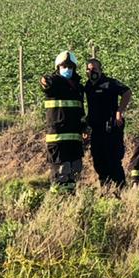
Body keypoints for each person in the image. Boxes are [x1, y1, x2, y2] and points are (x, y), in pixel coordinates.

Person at [40, 51, 86, 192]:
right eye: (64, 66)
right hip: (58, 139)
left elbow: (80, 111)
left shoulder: (78, 88)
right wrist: (44, 81)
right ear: (58, 67)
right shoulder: (55, 84)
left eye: (70, 66)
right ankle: (57, 204)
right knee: (60, 176)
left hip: (74, 140)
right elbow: (46, 85)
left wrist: (84, 128)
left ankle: (70, 204)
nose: (67, 69)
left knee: (74, 175)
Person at [83, 57, 131, 191]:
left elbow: (127, 92)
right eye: (88, 69)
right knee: (98, 160)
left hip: (111, 128)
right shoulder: (88, 86)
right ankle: (106, 190)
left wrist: (119, 111)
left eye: (94, 69)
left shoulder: (110, 83)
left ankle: (121, 190)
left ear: (100, 70)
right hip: (96, 129)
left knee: (113, 161)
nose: (91, 71)